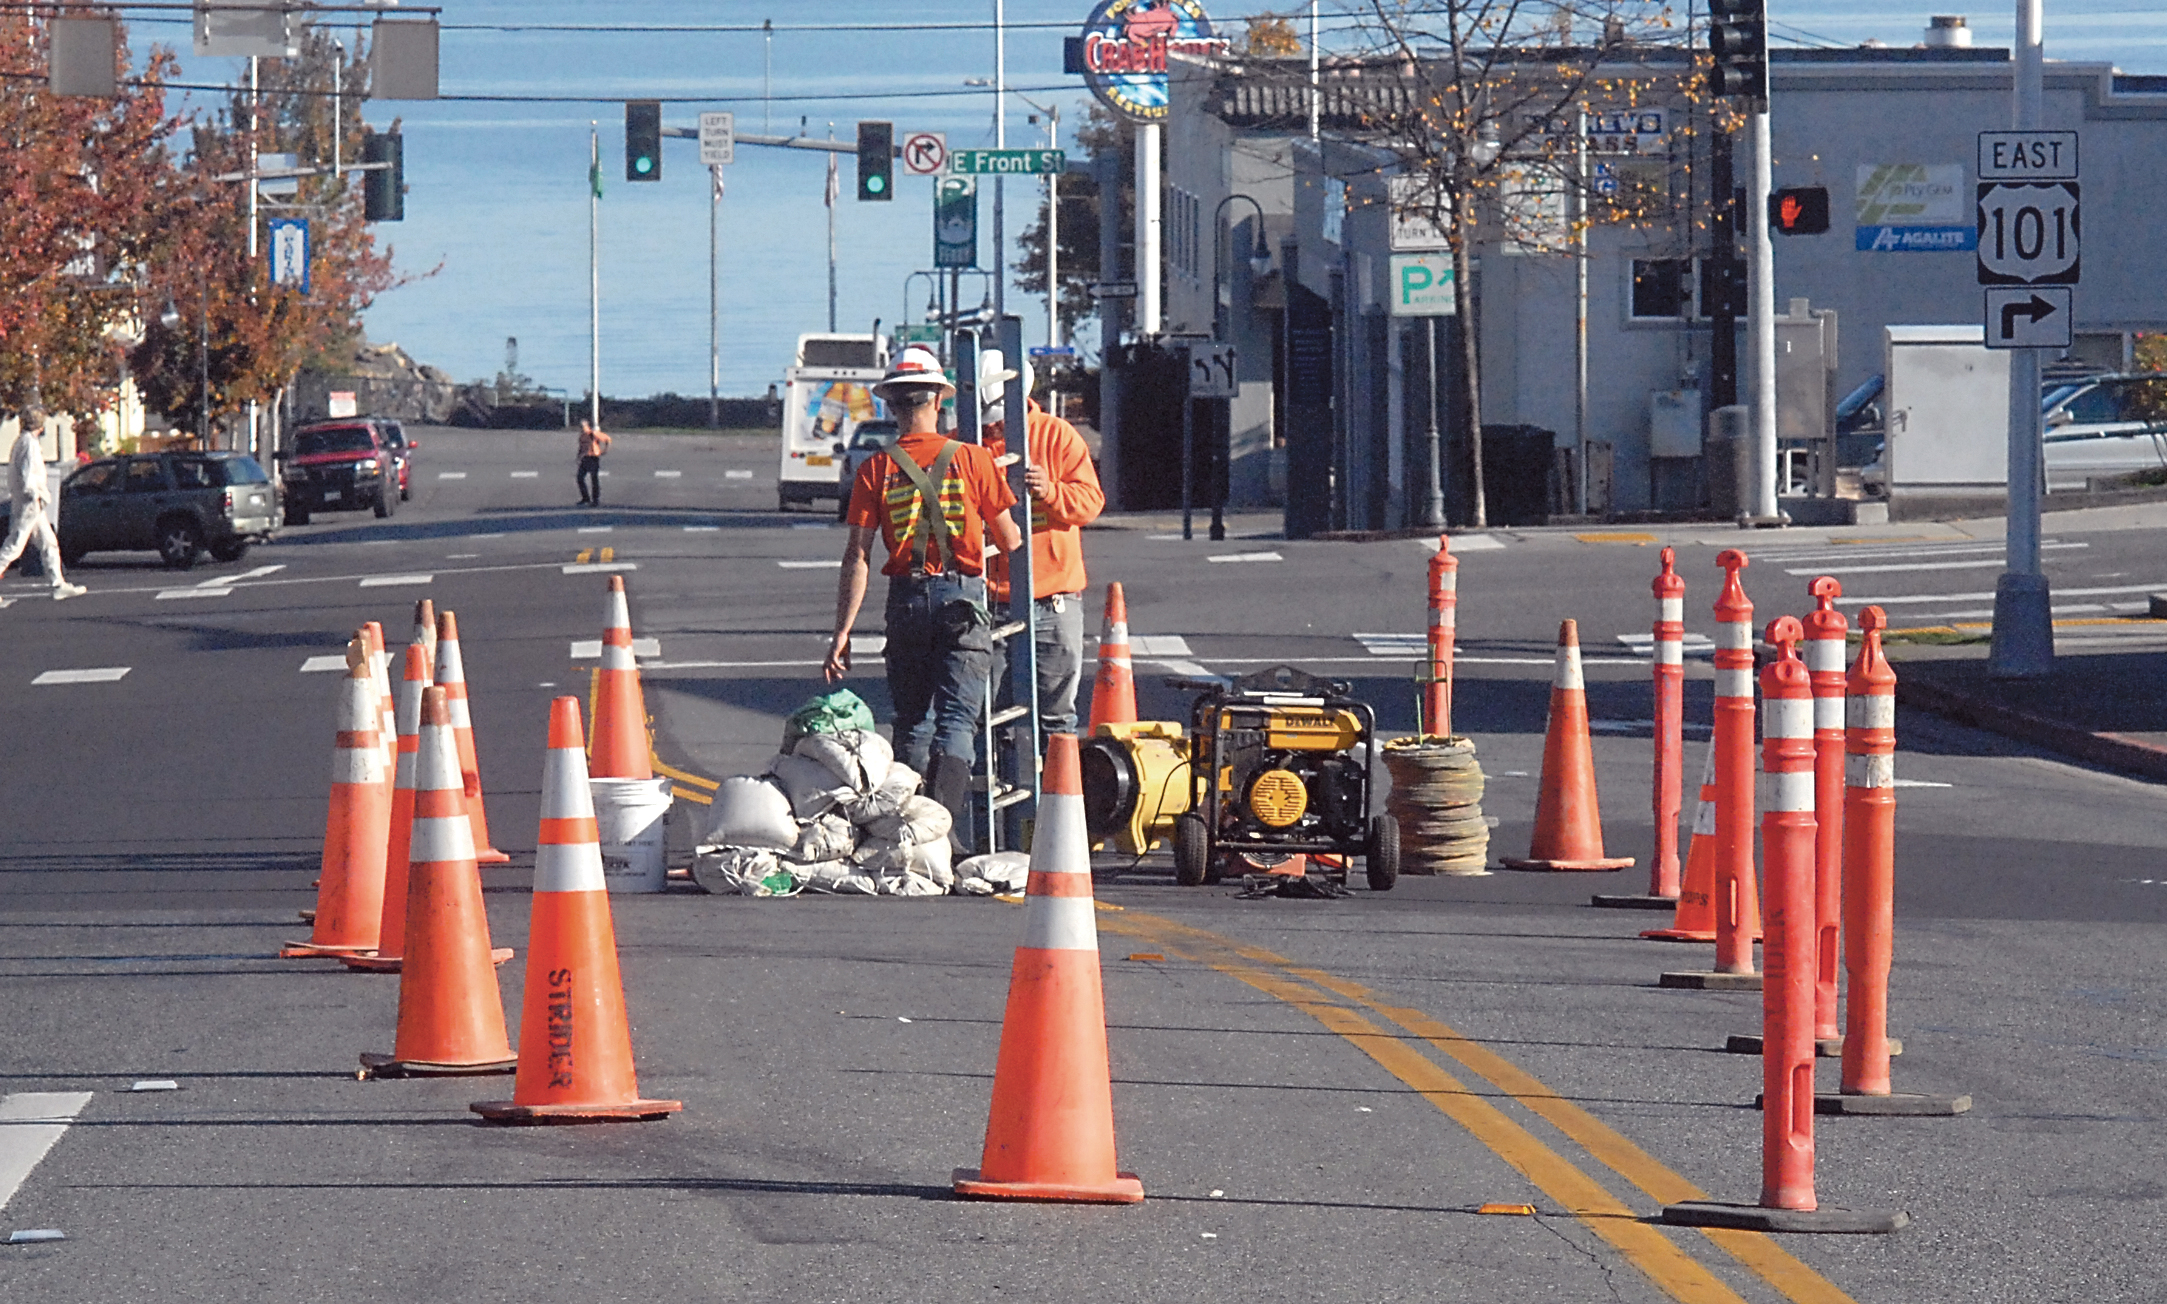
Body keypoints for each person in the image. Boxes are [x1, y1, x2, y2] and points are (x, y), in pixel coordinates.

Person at [824, 346, 1022, 843]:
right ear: (939, 400)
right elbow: (1012, 539)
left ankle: (901, 832)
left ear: (891, 406)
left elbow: (858, 557)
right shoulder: (975, 460)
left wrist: (842, 632)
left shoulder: (874, 470)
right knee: (958, 720)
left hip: (906, 600)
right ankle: (940, 835)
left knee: (912, 721)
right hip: (962, 598)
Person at [978, 352, 1104, 737]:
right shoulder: (966, 443)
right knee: (989, 720)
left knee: (1055, 719)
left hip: (1053, 600)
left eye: (998, 414)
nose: (994, 424)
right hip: (989, 601)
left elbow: (1090, 503)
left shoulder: (1057, 435)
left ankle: (1058, 797)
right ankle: (992, 794)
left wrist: (1050, 491)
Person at [0, 409, 86, 601]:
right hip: (30, 502)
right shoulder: (29, 443)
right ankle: (58, 583)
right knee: (15, 544)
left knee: (49, 543)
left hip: (30, 501)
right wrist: (35, 495)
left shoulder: (23, 441)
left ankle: (58, 584)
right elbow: (27, 474)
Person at [576, 418, 611, 506]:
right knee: (580, 478)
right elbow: (582, 447)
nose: (582, 427)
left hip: (593, 457)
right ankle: (585, 498)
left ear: (587, 425)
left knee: (594, 478)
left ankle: (595, 499)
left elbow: (607, 439)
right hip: (585, 458)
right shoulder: (582, 435)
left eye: (583, 425)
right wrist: (578, 457)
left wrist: (605, 450)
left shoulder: (593, 433)